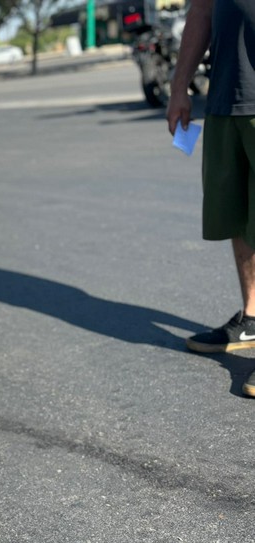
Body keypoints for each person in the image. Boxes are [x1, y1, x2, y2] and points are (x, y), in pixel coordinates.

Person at [166, 0, 255, 396]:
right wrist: (179, 85)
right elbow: (201, 11)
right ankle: (252, 316)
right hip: (226, 96)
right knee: (235, 214)